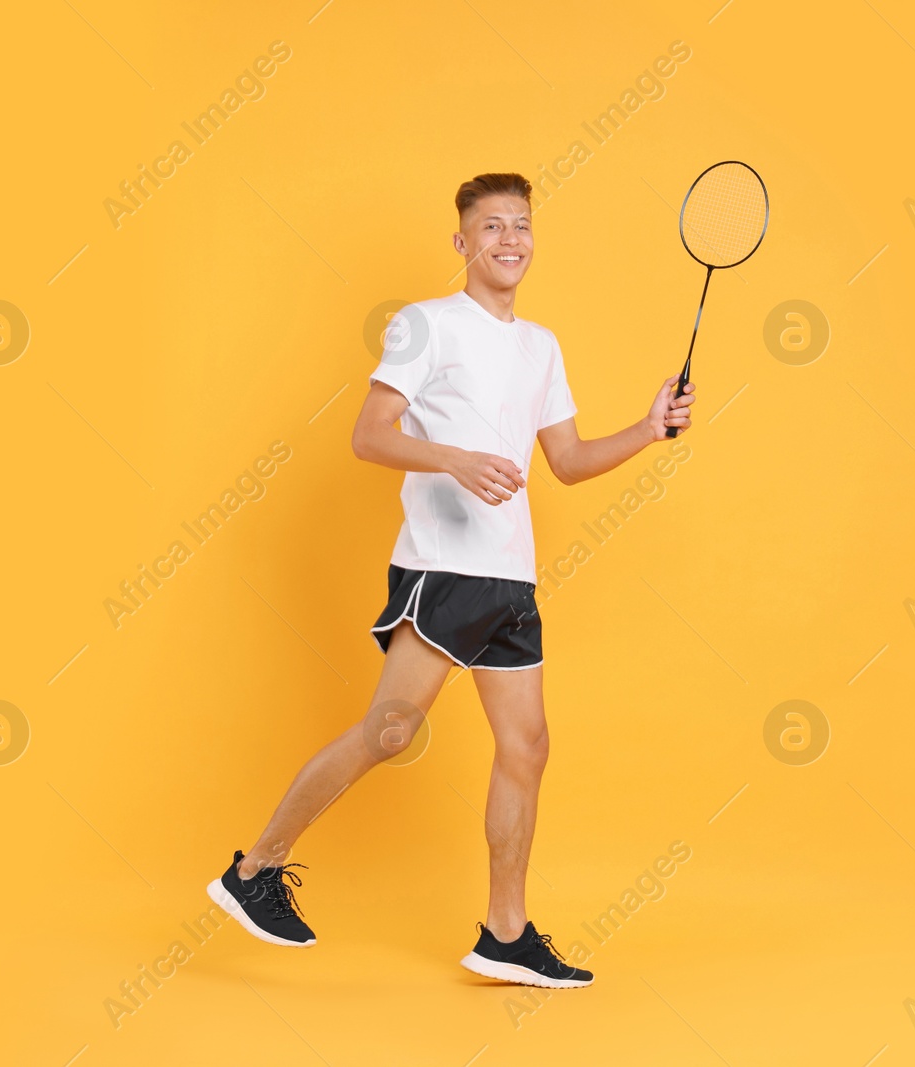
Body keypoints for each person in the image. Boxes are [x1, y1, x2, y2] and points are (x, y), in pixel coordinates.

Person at [208, 172, 695, 989]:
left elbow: (568, 464)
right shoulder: (424, 325)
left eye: (522, 225)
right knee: (388, 732)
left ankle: (506, 934)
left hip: (511, 576)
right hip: (444, 568)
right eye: (492, 226)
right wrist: (455, 459)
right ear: (462, 242)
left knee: (527, 747)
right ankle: (254, 870)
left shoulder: (542, 345)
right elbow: (368, 435)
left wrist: (648, 430)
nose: (510, 238)